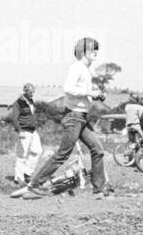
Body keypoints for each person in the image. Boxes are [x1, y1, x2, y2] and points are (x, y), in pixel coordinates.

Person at [19, 37, 112, 198]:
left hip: (81, 117)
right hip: (74, 117)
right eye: (92, 49)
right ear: (83, 52)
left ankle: (99, 188)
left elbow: (79, 94)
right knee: (63, 153)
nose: (96, 52)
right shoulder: (77, 68)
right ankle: (36, 184)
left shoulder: (85, 69)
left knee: (97, 149)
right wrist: (91, 93)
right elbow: (68, 88)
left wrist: (94, 96)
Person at [7, 82, 42, 186]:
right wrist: (19, 131)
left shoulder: (31, 101)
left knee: (38, 151)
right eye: (30, 92)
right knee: (21, 155)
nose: (32, 94)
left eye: (33, 92)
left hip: (33, 130)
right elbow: (14, 118)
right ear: (25, 91)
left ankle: (27, 172)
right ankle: (18, 178)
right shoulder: (18, 103)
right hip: (24, 130)